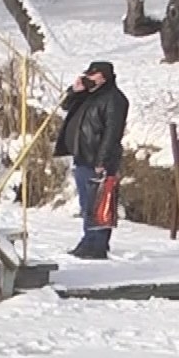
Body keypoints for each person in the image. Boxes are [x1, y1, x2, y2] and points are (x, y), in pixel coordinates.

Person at [55, 60, 129, 260]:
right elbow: (64, 106)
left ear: (104, 76)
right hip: (83, 156)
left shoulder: (114, 99)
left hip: (98, 159)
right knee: (87, 204)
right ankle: (89, 242)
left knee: (99, 204)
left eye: (93, 75)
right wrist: (74, 90)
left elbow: (112, 133)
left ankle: (96, 246)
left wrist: (102, 161)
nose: (89, 78)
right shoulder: (88, 95)